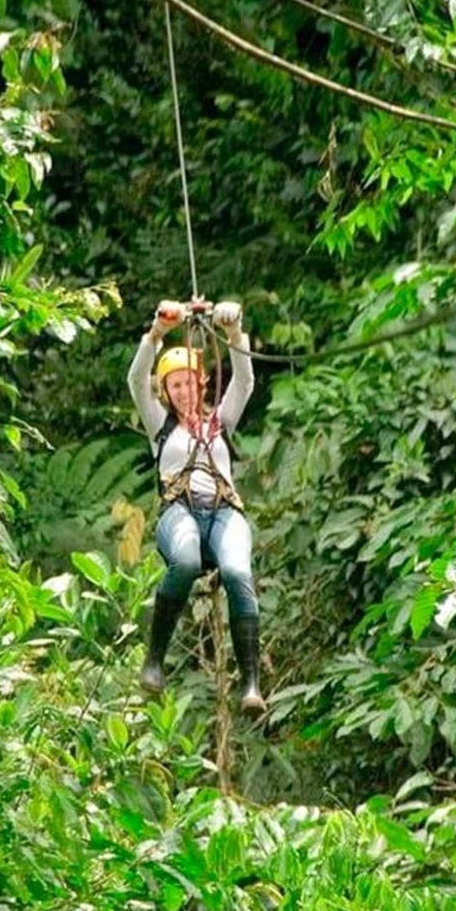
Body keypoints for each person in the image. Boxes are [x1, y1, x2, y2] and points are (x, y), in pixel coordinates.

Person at [127, 298, 265, 713]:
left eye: (190, 382)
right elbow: (136, 379)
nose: (184, 391)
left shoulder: (221, 422)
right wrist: (158, 331)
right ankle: (154, 662)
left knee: (240, 572)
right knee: (184, 561)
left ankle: (251, 685)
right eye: (176, 385)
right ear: (166, 391)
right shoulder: (160, 427)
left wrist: (234, 330)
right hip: (180, 511)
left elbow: (244, 382)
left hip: (223, 510)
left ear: (202, 383)